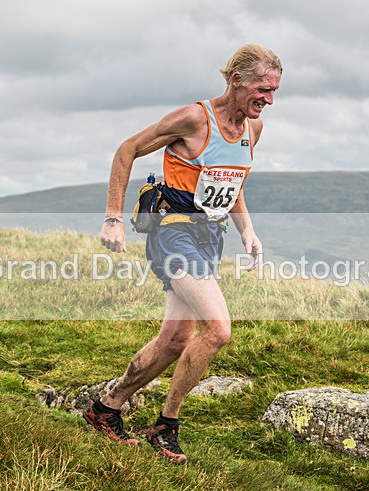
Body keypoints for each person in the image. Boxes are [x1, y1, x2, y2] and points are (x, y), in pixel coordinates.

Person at [83, 44, 282, 464]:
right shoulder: (194, 118)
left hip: (210, 236)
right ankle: (165, 425)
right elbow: (127, 149)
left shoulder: (253, 129)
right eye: (263, 89)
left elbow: (233, 180)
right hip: (173, 231)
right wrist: (112, 218)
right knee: (219, 329)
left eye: (275, 91)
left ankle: (106, 409)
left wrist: (248, 231)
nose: (269, 99)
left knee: (175, 339)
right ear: (236, 82)